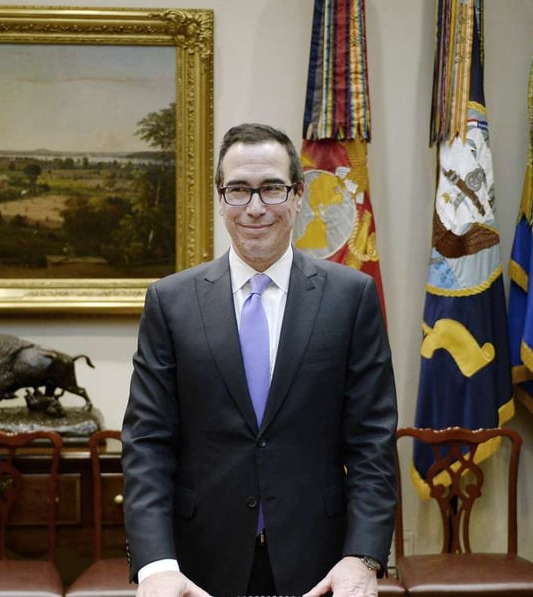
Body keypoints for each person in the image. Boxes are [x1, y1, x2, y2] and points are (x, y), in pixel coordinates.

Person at [122, 122, 398, 597]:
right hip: (196, 567)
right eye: (238, 190)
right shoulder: (171, 302)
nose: (255, 207)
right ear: (219, 197)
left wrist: (364, 555)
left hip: (322, 566)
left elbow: (372, 441)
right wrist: (155, 565)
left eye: (271, 188)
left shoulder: (350, 297)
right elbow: (147, 442)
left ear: (297, 195)